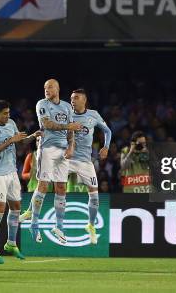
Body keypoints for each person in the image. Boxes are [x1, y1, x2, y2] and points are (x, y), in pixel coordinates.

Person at [25, 79, 81, 243]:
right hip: (47, 148)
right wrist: (68, 127)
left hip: (63, 150)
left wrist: (71, 146)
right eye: (44, 87)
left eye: (49, 87)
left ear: (57, 88)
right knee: (43, 185)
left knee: (61, 187)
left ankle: (59, 226)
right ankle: (34, 224)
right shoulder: (42, 104)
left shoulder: (66, 106)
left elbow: (72, 131)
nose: (46, 90)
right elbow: (47, 124)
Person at [0, 100, 39, 263]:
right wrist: (10, 140)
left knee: (16, 208)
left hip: (11, 171)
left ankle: (11, 244)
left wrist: (32, 136)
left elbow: (20, 141)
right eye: (5, 113)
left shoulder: (11, 123)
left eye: (8, 113)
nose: (8, 115)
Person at [67, 89, 112, 244]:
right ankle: (32, 212)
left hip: (85, 161)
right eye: (71, 98)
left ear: (84, 100)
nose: (72, 100)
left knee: (94, 195)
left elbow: (107, 131)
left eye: (76, 98)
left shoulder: (93, 114)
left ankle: (91, 226)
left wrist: (106, 147)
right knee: (45, 182)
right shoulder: (66, 112)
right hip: (66, 158)